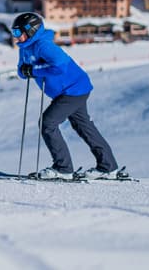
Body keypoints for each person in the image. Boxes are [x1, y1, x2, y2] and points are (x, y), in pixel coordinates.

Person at [12, 12, 119, 180]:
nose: (16, 37)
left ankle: (63, 168)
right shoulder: (25, 48)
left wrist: (33, 70)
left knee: (48, 123)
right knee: (83, 127)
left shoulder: (44, 46)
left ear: (31, 31)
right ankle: (108, 167)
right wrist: (26, 71)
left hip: (73, 90)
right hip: (68, 91)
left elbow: (60, 66)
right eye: (14, 33)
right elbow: (21, 70)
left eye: (18, 33)